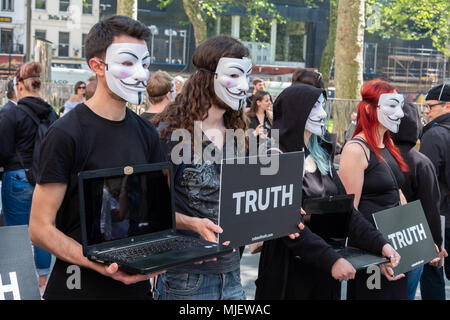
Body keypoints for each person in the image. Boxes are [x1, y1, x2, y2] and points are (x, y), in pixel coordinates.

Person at [28, 15, 167, 300]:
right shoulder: (66, 134)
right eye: (128, 63)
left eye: (145, 63)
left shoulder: (146, 132)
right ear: (97, 66)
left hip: (136, 287)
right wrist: (101, 266)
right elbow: (40, 228)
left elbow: (151, 210)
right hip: (78, 287)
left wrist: (192, 228)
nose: (142, 74)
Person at [255, 83, 400, 300]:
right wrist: (331, 260)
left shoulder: (321, 154)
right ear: (297, 111)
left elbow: (347, 211)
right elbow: (287, 223)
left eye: (323, 106)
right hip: (288, 275)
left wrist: (381, 244)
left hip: (324, 272)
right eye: (314, 107)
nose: (323, 114)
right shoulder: (275, 157)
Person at [152, 35, 269, 300]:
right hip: (185, 278)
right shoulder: (170, 134)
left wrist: (276, 206)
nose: (245, 87)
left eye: (247, 77)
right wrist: (191, 223)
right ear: (208, 78)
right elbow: (147, 207)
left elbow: (245, 193)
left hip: (232, 275)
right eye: (235, 75)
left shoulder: (239, 131)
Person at [339, 79, 409, 300]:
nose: (400, 113)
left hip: (396, 251)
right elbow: (350, 211)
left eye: (401, 105)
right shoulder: (355, 150)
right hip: (372, 256)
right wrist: (376, 256)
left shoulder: (387, 146)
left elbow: (397, 194)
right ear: (370, 109)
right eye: (391, 105)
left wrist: (418, 240)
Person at [0, 62, 57, 291]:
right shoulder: (51, 112)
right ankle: (43, 281)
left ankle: (22, 285)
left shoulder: (11, 112)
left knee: (18, 234)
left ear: (19, 86)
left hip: (18, 178)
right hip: (46, 179)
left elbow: (2, 151)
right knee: (42, 228)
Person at [391, 101, 448, 300]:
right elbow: (431, 207)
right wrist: (436, 244)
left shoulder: (376, 157)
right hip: (411, 240)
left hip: (378, 239)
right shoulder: (420, 162)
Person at [419, 84, 450, 299]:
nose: (427, 111)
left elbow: (426, 183)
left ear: (448, 105)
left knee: (433, 273)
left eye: (431, 106)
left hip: (440, 219)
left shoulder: (435, 134)